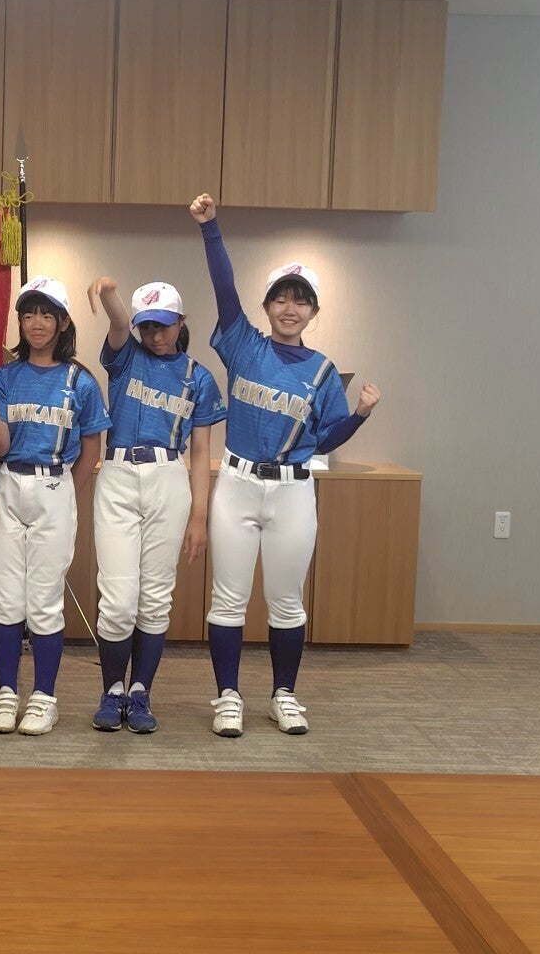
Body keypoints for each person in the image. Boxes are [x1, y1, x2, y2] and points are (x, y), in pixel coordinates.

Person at [190, 193, 381, 737]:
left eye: (301, 302)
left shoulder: (322, 372)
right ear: (268, 306)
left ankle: (284, 695)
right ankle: (228, 696)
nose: (290, 308)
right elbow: (224, 288)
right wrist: (210, 228)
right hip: (237, 484)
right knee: (228, 599)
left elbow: (325, 437)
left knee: (286, 602)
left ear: (314, 312)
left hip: (294, 491)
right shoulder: (243, 346)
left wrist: (360, 415)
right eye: (280, 299)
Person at [0, 276, 111, 736]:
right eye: (28, 314)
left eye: (46, 315)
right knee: (6, 598)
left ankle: (44, 697)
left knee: (46, 601)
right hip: (9, 482)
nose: (36, 323)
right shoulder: (3, 377)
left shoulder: (80, 381)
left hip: (55, 484)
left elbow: (91, 449)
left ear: (63, 322)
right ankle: (6, 692)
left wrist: (65, 491)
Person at [86, 278, 226, 733]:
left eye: (163, 326)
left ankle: (140, 691)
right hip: (118, 474)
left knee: (155, 599)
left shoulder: (198, 377)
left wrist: (200, 516)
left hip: (169, 477)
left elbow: (201, 451)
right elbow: (117, 322)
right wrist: (108, 292)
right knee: (118, 600)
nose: (155, 335)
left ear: (181, 322)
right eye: (147, 326)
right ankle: (112, 690)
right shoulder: (127, 358)